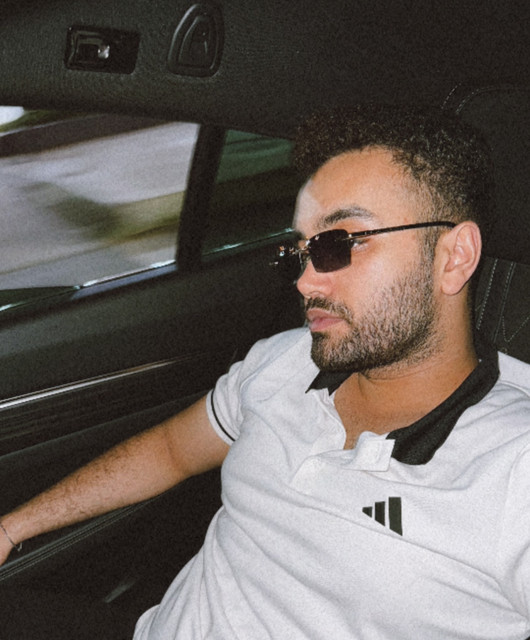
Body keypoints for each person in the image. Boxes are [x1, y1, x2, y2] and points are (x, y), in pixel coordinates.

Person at [1, 104, 529, 639]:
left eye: (339, 243)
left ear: (454, 256)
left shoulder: (514, 466)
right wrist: (10, 528)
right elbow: (171, 450)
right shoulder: (284, 361)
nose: (305, 282)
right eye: (300, 252)